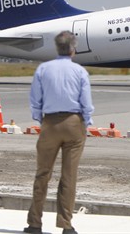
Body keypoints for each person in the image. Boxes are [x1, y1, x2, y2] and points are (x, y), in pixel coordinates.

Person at [24, 31, 94, 234]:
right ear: (73, 49)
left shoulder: (43, 69)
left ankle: (34, 223)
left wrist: (41, 119)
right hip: (73, 122)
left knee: (42, 173)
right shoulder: (80, 71)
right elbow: (86, 103)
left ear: (57, 48)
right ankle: (66, 224)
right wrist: (85, 121)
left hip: (50, 122)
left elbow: (35, 99)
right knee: (69, 175)